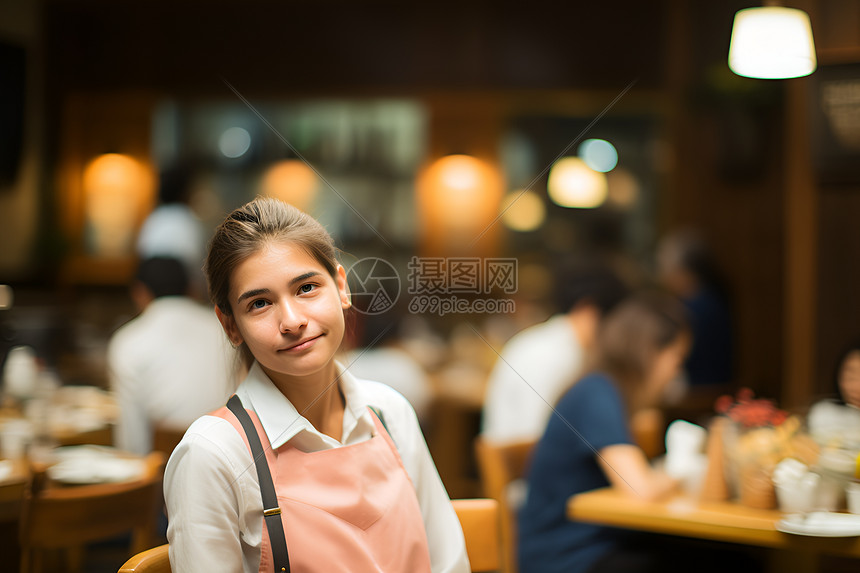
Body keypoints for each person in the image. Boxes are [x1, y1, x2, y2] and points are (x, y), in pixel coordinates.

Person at [163, 197, 469, 572]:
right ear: (230, 326)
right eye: (260, 303)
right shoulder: (213, 455)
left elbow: (449, 563)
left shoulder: (390, 413)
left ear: (342, 287)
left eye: (306, 288)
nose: (291, 321)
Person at [518, 292, 690, 573]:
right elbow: (639, 488)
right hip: (566, 557)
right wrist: (681, 475)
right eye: (677, 358)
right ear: (650, 352)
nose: (675, 372)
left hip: (591, 546)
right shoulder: (597, 392)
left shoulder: (602, 389)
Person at [481, 257, 629, 443]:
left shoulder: (562, 346)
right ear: (589, 311)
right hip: (520, 465)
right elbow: (533, 433)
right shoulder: (549, 354)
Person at [107, 257, 235, 455]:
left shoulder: (128, 340)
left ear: (139, 292)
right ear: (191, 289)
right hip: (234, 451)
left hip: (165, 464)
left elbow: (132, 437)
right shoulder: (225, 328)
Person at [656, 228, 733, 387]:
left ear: (682, 270)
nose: (662, 275)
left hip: (697, 393)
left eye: (664, 266)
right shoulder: (712, 299)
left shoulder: (694, 309)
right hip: (713, 388)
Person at [137, 163, 208, 298]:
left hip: (152, 295)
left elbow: (142, 257)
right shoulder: (189, 221)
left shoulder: (153, 219)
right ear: (186, 192)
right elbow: (199, 267)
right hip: (183, 296)